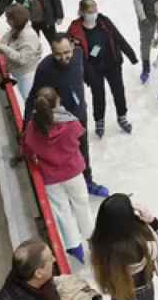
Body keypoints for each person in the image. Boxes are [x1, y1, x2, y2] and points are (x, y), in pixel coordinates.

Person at [25, 34, 109, 197]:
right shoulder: (45, 68)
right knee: (65, 155)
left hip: (79, 116)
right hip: (61, 122)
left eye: (66, 52)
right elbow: (33, 97)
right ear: (52, 51)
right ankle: (67, 187)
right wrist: (26, 125)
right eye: (58, 54)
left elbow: (85, 73)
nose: (63, 57)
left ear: (71, 46)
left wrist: (95, 84)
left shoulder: (78, 54)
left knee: (83, 150)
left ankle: (88, 181)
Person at [22, 88, 94, 263]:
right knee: (82, 204)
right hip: (73, 172)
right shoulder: (70, 123)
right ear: (57, 102)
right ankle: (92, 238)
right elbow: (79, 139)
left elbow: (27, 148)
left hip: (50, 178)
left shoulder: (33, 126)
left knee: (62, 211)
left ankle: (74, 247)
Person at [66, 0, 137, 137]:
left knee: (119, 91)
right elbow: (73, 52)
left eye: (95, 10)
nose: (93, 14)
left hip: (112, 63)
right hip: (92, 68)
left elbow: (118, 37)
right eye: (89, 11)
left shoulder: (104, 21)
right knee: (98, 94)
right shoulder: (75, 29)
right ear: (82, 12)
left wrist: (131, 55)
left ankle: (122, 117)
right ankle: (99, 121)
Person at [0, 4, 43, 101]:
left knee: (29, 100)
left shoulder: (28, 36)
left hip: (27, 75)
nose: (6, 21)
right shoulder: (16, 29)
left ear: (16, 20)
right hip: (19, 72)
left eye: (8, 19)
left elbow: (22, 59)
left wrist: (1, 46)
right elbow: (6, 41)